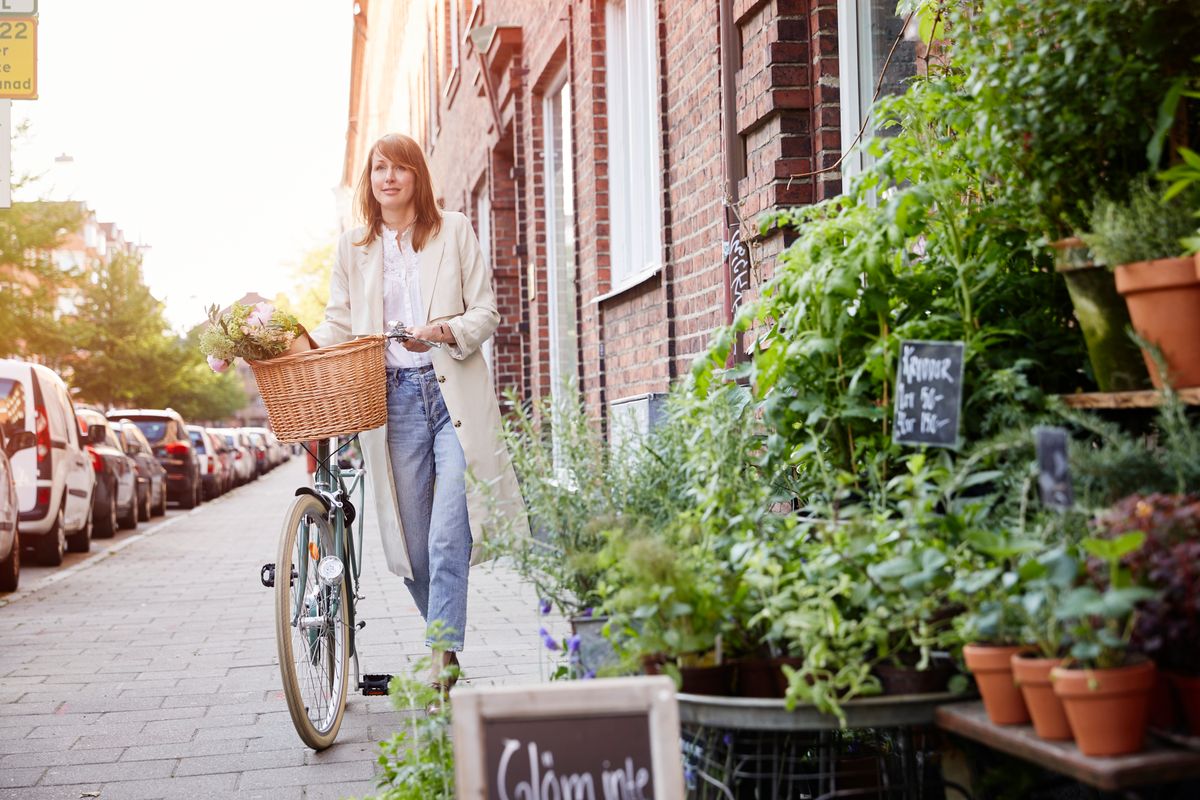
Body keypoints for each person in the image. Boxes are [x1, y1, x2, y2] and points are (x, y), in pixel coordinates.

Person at [291, 133, 529, 696]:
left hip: (451, 396)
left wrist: (446, 331)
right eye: (379, 169)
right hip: (392, 400)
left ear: (418, 176)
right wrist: (293, 341)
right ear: (369, 182)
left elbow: (487, 311)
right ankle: (443, 640)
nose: (389, 178)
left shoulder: (455, 230)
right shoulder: (353, 247)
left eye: (400, 168)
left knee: (449, 535)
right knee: (414, 543)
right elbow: (339, 324)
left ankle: (441, 656)